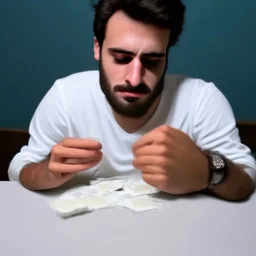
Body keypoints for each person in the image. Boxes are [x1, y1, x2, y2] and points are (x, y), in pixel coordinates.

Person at [8, 0, 256, 201]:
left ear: (167, 55)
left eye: (151, 60)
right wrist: (47, 172)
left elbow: (246, 182)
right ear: (97, 48)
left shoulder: (201, 100)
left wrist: (208, 170)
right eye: (121, 58)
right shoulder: (66, 95)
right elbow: (20, 167)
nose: (135, 79)